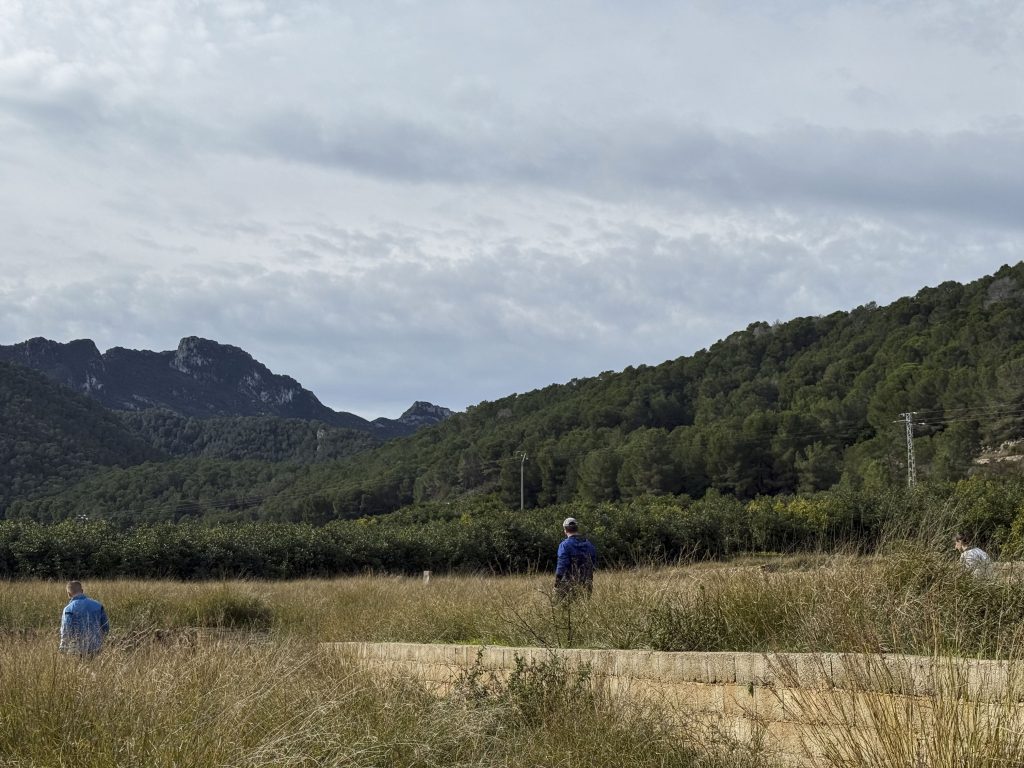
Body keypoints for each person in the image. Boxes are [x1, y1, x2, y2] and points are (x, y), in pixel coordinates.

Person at [59, 580, 109, 656]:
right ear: (82, 591)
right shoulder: (98, 605)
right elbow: (105, 627)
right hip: (96, 647)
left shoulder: (68, 609)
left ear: (69, 594)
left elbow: (66, 631)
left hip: (76, 649)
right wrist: (100, 640)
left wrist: (63, 649)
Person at [555, 517, 597, 600]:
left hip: (568, 585)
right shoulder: (589, 545)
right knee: (583, 606)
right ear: (577, 529)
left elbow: (562, 565)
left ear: (565, 530)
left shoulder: (564, 545)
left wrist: (557, 583)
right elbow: (593, 564)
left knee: (561, 606)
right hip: (586, 584)